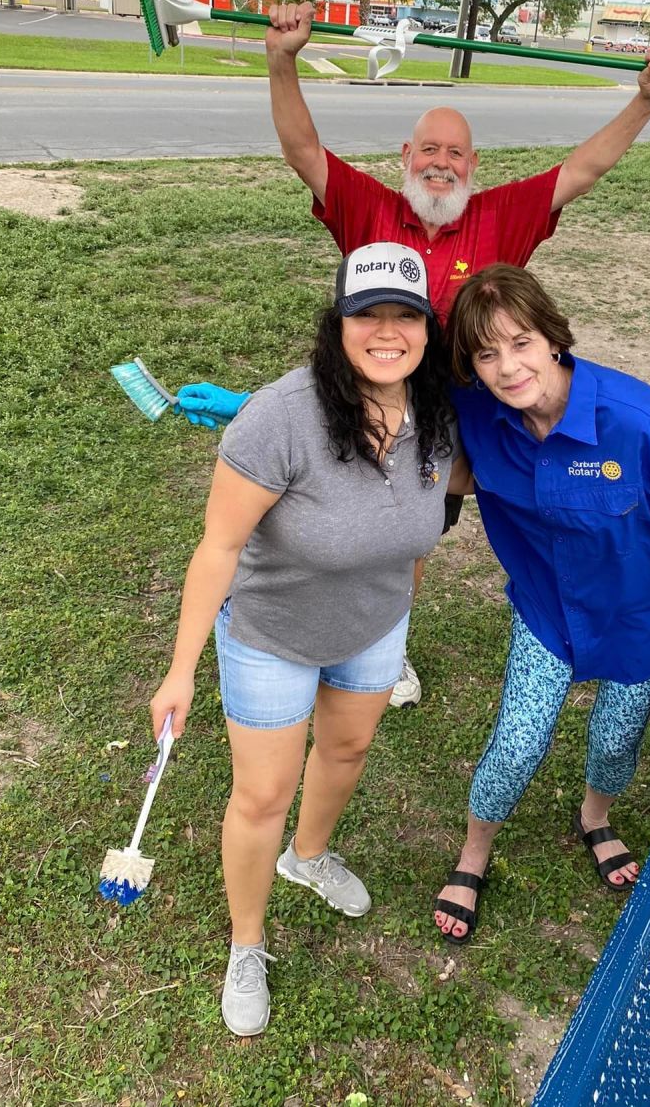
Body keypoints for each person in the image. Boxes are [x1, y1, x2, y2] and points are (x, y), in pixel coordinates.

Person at [175, 1, 650, 707]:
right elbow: (302, 151)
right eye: (429, 150)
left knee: (409, 540)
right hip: (360, 408)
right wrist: (281, 59)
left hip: (451, 431)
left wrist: (646, 100)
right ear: (406, 159)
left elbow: (583, 170)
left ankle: (384, 646)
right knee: (317, 522)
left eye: (454, 153)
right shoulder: (368, 206)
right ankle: (276, 628)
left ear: (473, 166)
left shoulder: (502, 214)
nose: (440, 162)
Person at [149, 243, 461, 1036]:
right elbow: (218, 547)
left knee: (347, 752)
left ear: (428, 327)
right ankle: (247, 943)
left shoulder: (441, 413)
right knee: (260, 795)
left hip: (375, 624)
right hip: (272, 632)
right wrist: (181, 668)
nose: (387, 331)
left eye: (406, 315)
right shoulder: (281, 417)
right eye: (369, 314)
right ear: (339, 322)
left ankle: (308, 855)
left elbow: (428, 523)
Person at [432, 264, 650, 944]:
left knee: (617, 740)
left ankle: (595, 816)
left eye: (520, 341)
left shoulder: (641, 425)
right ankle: (474, 852)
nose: (508, 367)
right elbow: (377, 403)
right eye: (486, 353)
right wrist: (254, 409)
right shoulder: (475, 411)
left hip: (641, 620)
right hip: (550, 614)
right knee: (516, 745)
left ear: (552, 336)